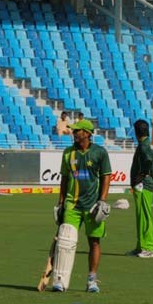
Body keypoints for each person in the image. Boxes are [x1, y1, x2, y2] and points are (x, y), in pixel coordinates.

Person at [55, 120, 111, 293]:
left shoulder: (99, 152)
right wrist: (61, 202)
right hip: (73, 204)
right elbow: (64, 178)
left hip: (93, 205)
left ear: (87, 133)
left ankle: (92, 279)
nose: (74, 133)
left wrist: (102, 200)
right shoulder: (68, 153)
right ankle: (60, 280)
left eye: (77, 131)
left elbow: (106, 177)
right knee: (65, 242)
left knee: (94, 242)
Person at [128, 119, 153, 258]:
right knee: (141, 216)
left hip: (144, 184)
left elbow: (149, 160)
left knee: (144, 216)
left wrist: (142, 174)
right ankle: (141, 246)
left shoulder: (144, 146)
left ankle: (149, 247)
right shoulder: (146, 144)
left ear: (137, 132)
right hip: (143, 184)